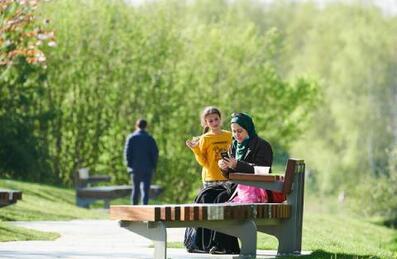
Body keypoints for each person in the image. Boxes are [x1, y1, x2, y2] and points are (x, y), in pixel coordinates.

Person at [186, 106, 232, 187]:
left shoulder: (229, 135)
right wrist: (195, 149)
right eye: (210, 121)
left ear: (220, 119)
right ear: (206, 123)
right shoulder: (205, 138)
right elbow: (203, 162)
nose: (214, 123)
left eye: (216, 119)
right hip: (211, 179)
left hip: (228, 178)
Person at [124, 119, 158, 205]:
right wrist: (154, 166)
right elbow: (155, 153)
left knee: (135, 190)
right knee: (145, 191)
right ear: (146, 126)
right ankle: (144, 211)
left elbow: (127, 153)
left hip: (135, 168)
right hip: (147, 168)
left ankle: (134, 213)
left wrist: (129, 165)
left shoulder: (131, 138)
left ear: (136, 125)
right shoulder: (150, 139)